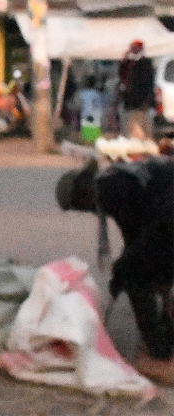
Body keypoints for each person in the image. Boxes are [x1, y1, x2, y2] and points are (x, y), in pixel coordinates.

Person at [57, 157, 174, 385]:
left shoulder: (111, 189)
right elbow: (135, 230)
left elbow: (155, 229)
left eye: (80, 206)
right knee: (144, 268)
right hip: (166, 215)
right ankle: (166, 333)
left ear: (84, 191)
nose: (87, 211)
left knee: (136, 280)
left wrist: (124, 269)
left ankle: (160, 356)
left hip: (169, 215)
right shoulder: (111, 181)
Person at [118, 40, 156, 139]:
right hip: (130, 101)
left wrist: (147, 100)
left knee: (144, 127)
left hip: (141, 101)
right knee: (129, 127)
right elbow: (122, 74)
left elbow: (148, 83)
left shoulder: (145, 63)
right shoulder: (128, 63)